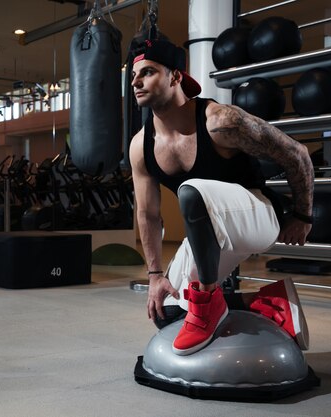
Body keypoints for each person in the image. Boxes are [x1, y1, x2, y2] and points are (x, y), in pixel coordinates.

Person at [128, 39, 314, 356]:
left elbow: (297, 154)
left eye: (147, 72)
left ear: (175, 77)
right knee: (167, 311)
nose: (136, 82)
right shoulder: (140, 146)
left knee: (192, 192)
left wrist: (302, 216)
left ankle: (210, 302)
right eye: (133, 75)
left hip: (257, 215)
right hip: (209, 229)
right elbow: (147, 215)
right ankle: (267, 300)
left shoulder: (221, 122)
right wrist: (156, 275)